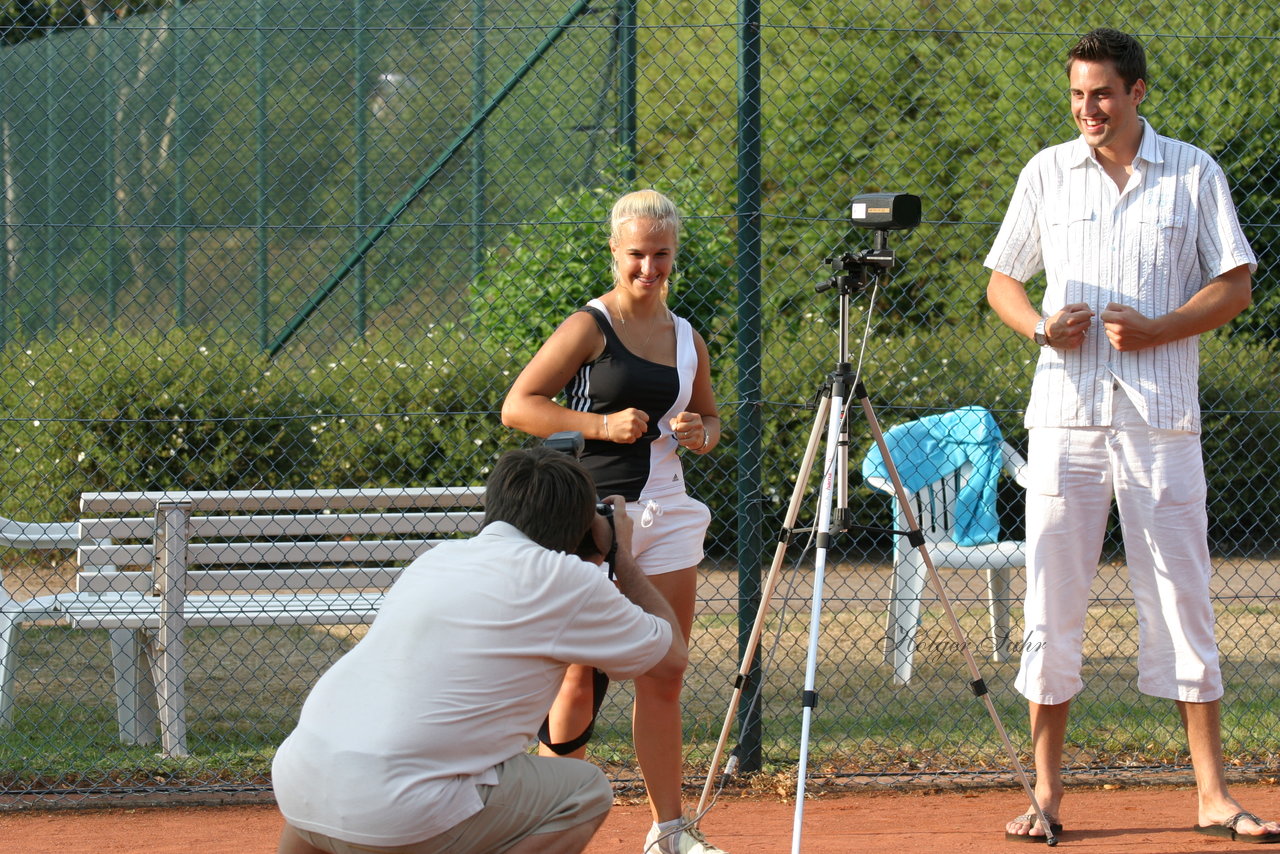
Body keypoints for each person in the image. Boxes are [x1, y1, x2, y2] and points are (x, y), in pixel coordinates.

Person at [985, 27, 1280, 844]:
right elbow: (1002, 281)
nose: (1089, 109)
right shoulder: (1046, 171)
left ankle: (1213, 795)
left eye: (1103, 94)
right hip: (1066, 420)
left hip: (1161, 421)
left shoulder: (1193, 172)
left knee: (1185, 595)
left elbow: (1236, 286)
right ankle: (1045, 798)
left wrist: (1158, 330)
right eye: (1078, 95)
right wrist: (1043, 328)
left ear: (1138, 91)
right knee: (1052, 598)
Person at [272, 446, 688, 854]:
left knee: (341, 791)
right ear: (582, 523)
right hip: (394, 816)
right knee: (584, 790)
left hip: (299, 785)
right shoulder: (566, 579)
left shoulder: (438, 558)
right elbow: (671, 661)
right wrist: (621, 555)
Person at [501, 189, 725, 854]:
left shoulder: (689, 339)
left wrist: (699, 432)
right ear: (615, 252)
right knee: (578, 672)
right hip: (595, 518)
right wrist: (598, 424)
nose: (649, 268)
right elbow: (519, 405)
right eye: (637, 255)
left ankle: (670, 832)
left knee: (665, 671)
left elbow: (711, 422)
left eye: (661, 255)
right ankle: (544, 823)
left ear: (673, 255)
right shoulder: (588, 327)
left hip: (671, 514)